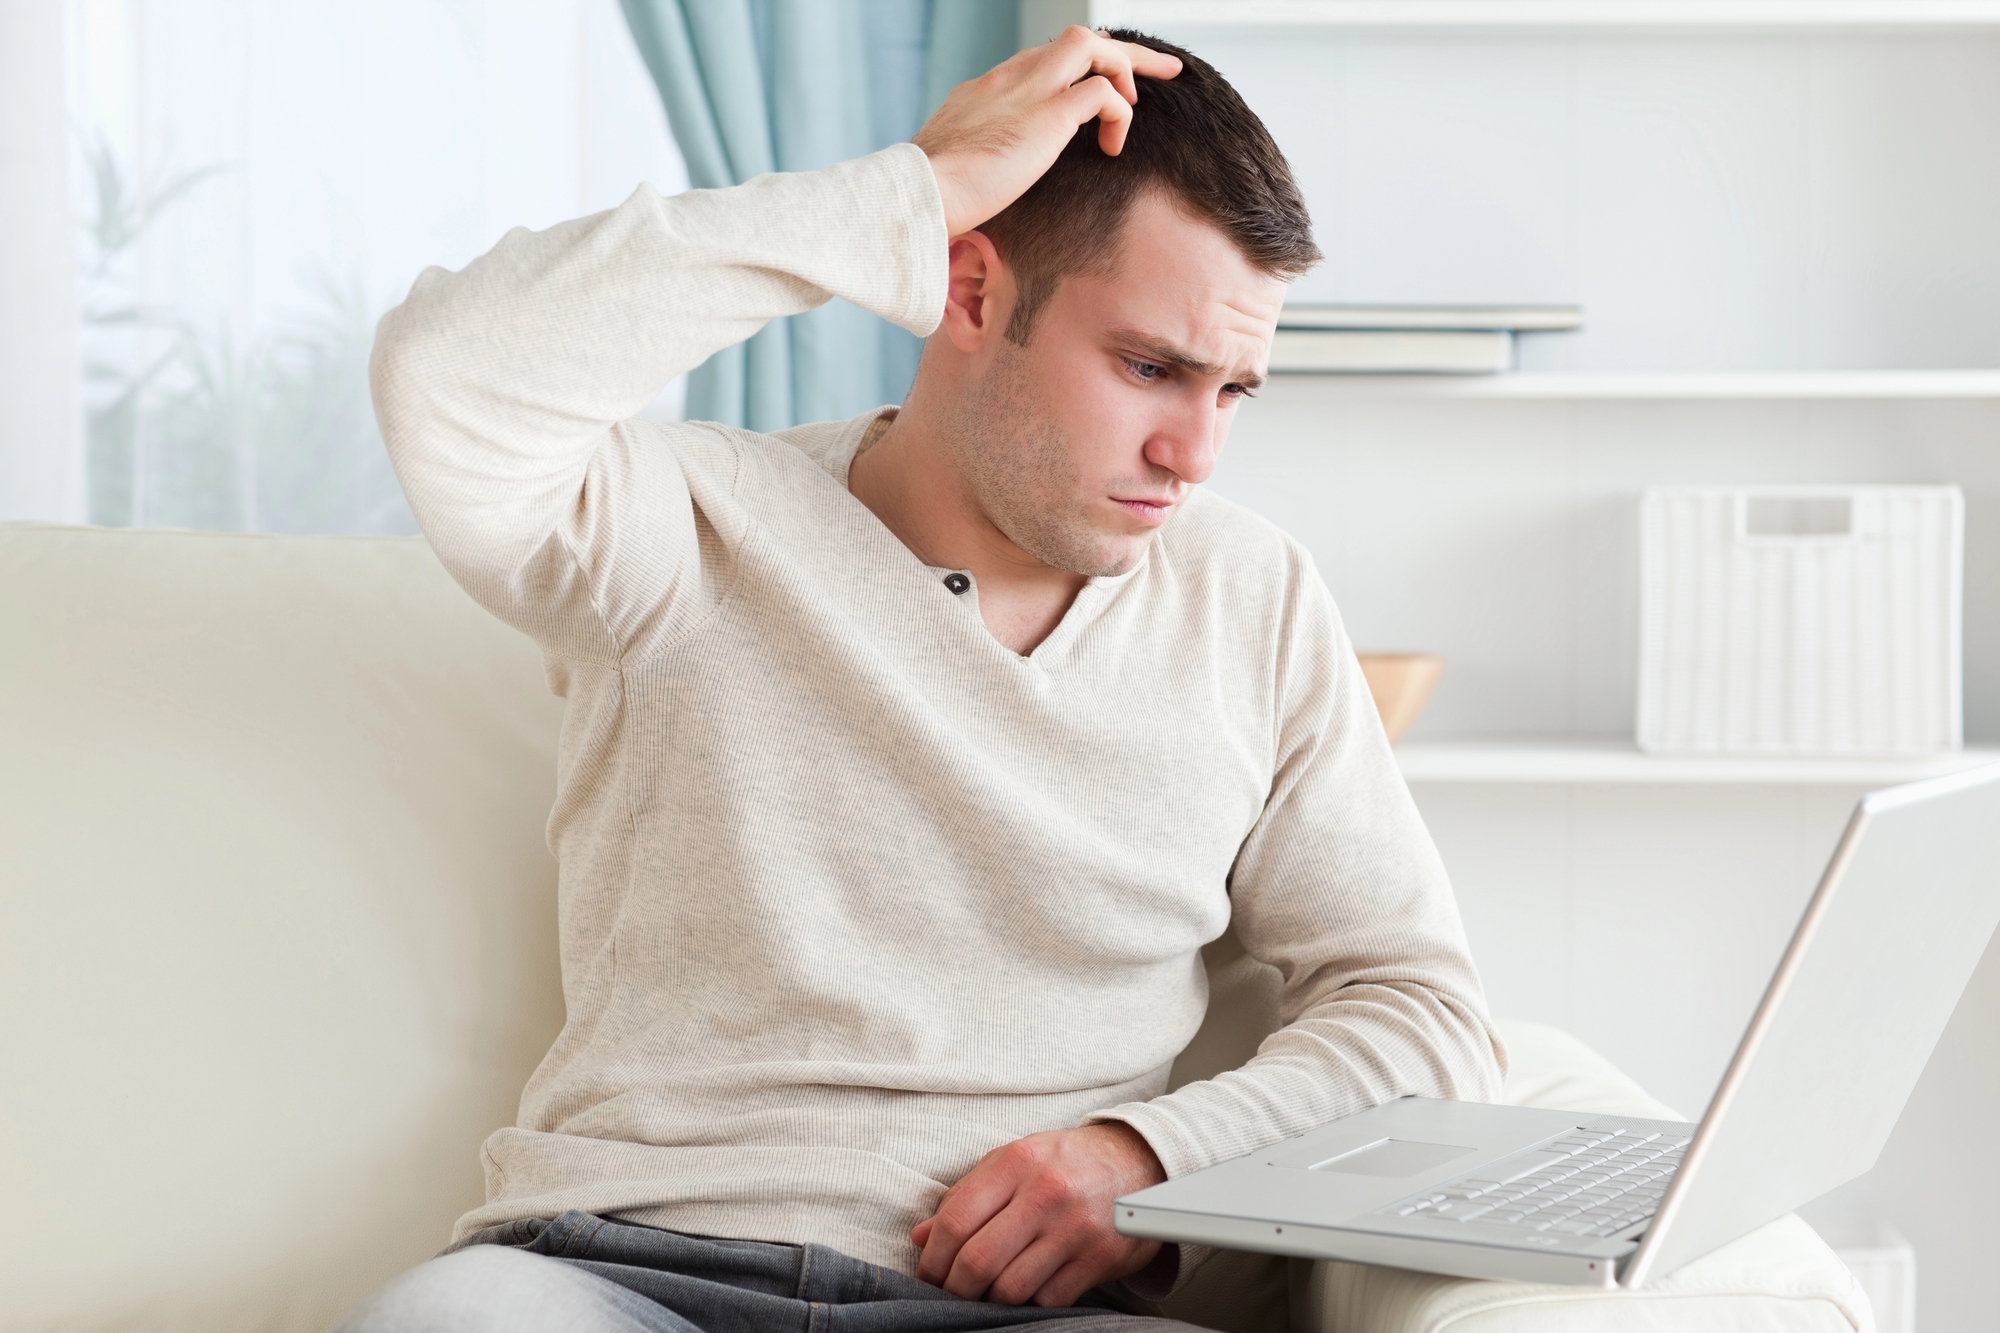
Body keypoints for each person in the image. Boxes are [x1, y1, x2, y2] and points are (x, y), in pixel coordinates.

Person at [340, 26, 1503, 1333]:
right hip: (614, 1277)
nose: (1195, 451)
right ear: (969, 291)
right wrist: (906, 190)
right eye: (1149, 367)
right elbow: (444, 376)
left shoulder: (1253, 597)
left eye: (1235, 387)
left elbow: (1423, 1014)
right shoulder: (680, 528)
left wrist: (1145, 1158)